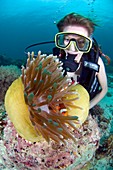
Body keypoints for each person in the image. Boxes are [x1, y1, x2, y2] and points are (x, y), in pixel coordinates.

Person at [53, 12, 110, 109]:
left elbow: (104, 89)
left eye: (81, 42)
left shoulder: (96, 62)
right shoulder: (54, 59)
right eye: (67, 39)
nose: (72, 48)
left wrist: (86, 109)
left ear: (88, 43)